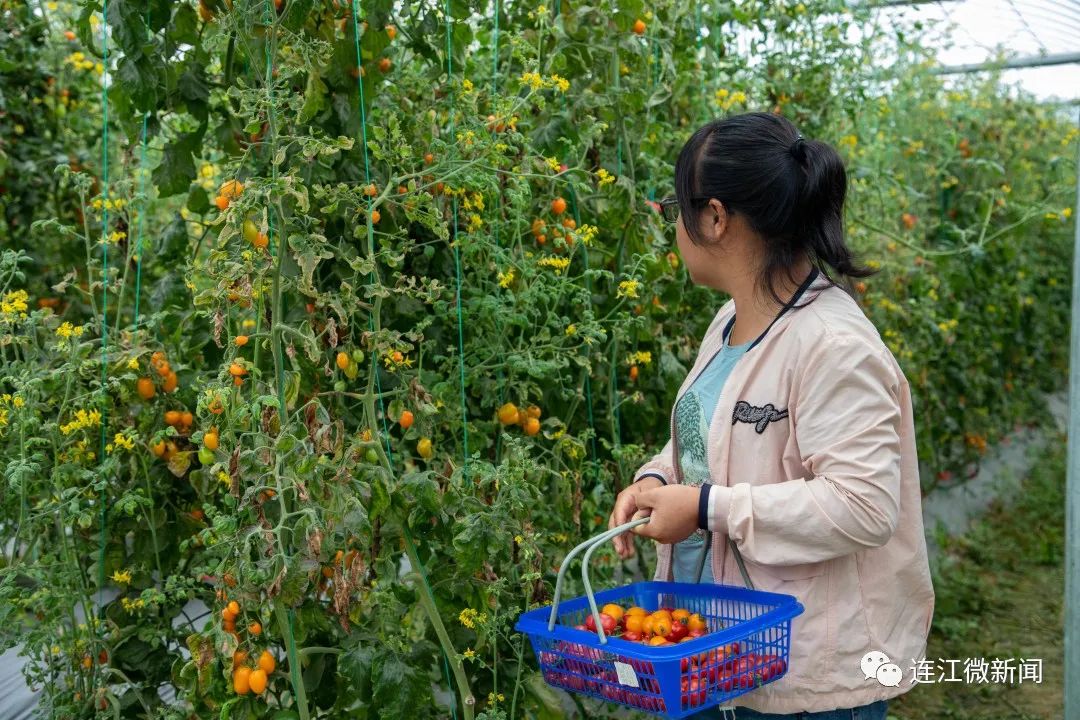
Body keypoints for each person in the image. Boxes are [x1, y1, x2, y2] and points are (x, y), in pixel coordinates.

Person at [607, 112, 934, 720]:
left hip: (804, 677)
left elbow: (864, 504)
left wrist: (706, 507)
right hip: (714, 650)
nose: (675, 226)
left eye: (679, 207)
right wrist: (658, 479)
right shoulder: (730, 324)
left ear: (714, 216)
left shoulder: (832, 345)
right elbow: (714, 442)